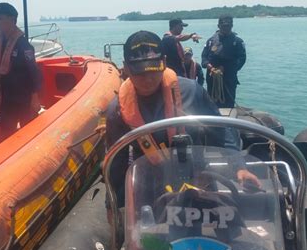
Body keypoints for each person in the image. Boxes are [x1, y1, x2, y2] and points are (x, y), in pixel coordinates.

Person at [105, 31, 260, 209]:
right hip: (151, 187)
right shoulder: (117, 111)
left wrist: (239, 167)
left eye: (153, 70)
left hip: (199, 179)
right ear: (125, 68)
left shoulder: (191, 91)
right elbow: (116, 163)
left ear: (163, 62)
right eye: (140, 73)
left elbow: (221, 131)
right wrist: (113, 205)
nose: (148, 79)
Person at [0, 2, 42, 137]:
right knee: (7, 131)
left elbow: (33, 72)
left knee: (28, 133)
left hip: (23, 97)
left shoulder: (23, 44)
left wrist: (35, 98)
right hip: (6, 96)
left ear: (11, 20)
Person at [201, 15, 246, 108]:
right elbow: (204, 57)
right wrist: (209, 66)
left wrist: (225, 68)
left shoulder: (237, 42)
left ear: (232, 26)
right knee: (212, 103)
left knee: (228, 103)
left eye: (228, 26)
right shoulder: (211, 41)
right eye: (223, 26)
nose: (226, 28)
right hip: (212, 77)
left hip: (229, 78)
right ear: (218, 26)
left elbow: (241, 59)